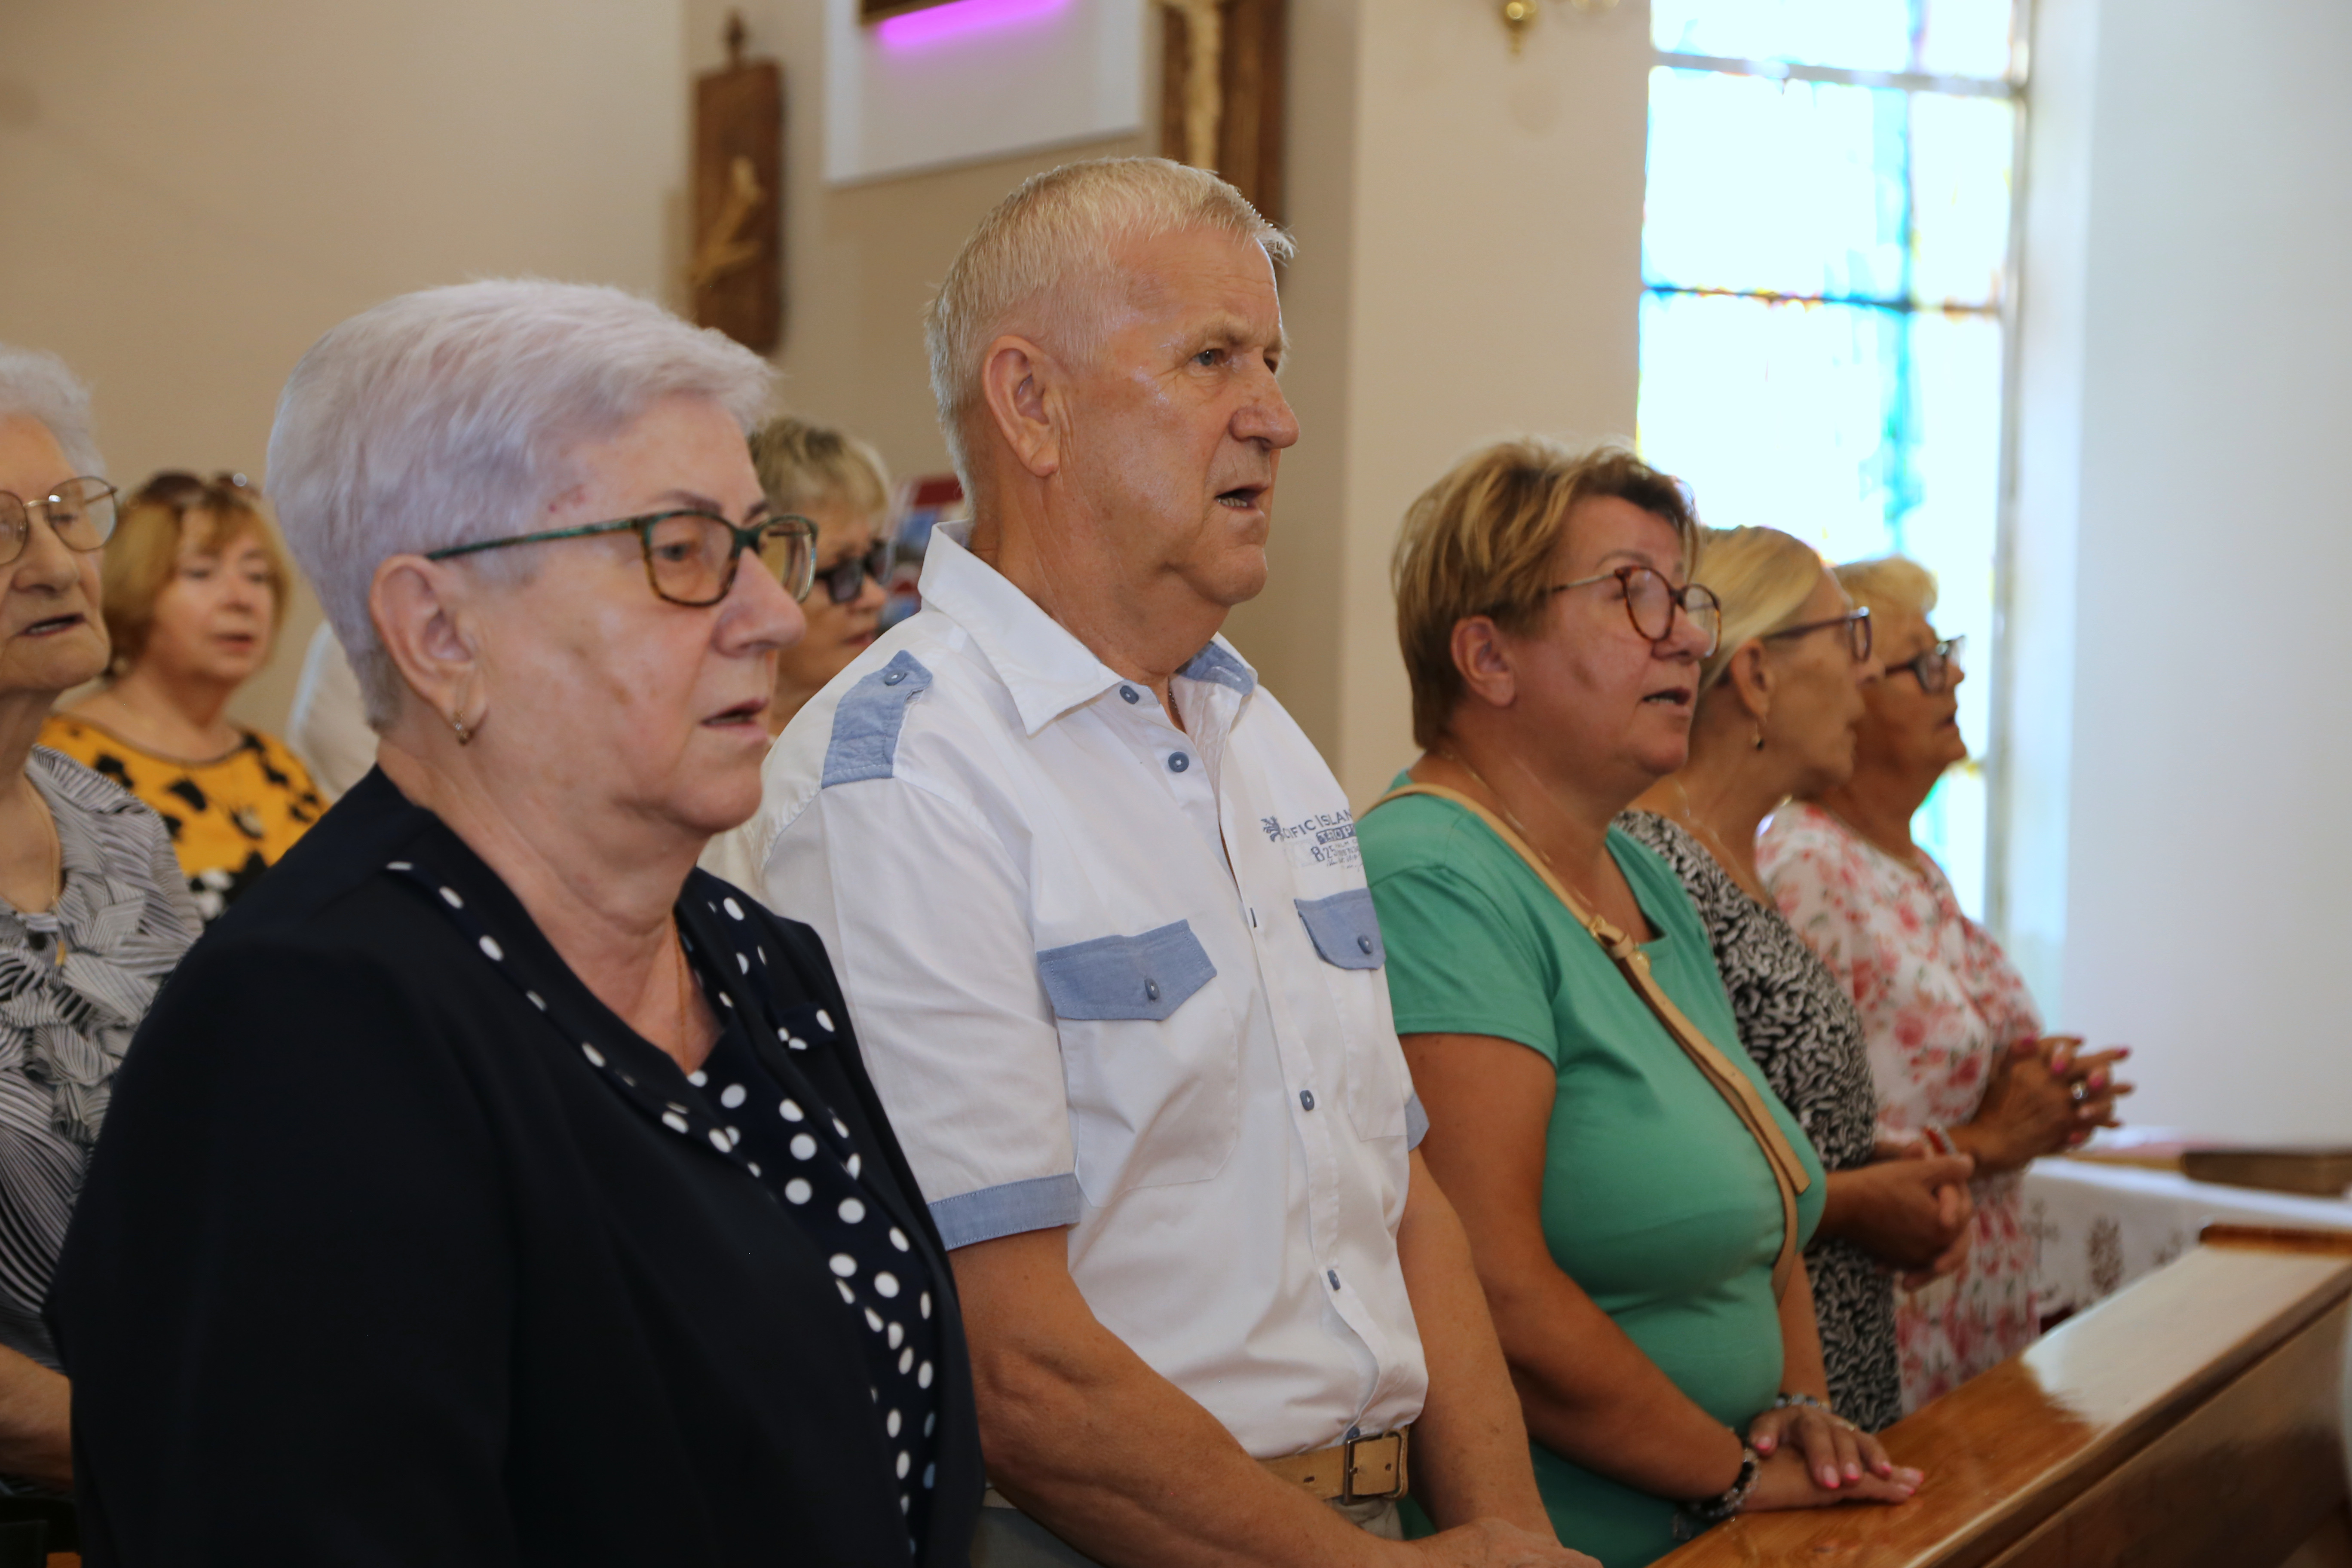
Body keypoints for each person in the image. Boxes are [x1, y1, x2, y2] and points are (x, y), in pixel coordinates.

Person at [45, 281, 986, 1565]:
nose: (771, 612)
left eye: (758, 541)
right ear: (439, 633)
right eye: (680, 550)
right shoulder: (306, 1034)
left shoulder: (755, 960)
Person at [747, 159, 1588, 1568]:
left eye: (1272, 361)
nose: (1277, 416)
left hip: (1364, 1518)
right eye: (1212, 359)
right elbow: (1014, 1365)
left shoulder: (1262, 739)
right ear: (1032, 403)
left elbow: (1401, 1201)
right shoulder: (905, 772)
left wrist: (1510, 1530)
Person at [1359, 440, 1921, 1568]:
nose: (1691, 638)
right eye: (1633, 595)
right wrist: (1735, 1474)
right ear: (1489, 656)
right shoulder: (1431, 876)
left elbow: (1768, 1192)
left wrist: (1802, 1414)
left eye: (1685, 598)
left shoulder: (1640, 871)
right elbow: (1491, 1283)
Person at [1617, 526, 1977, 1435]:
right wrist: (1856, 1203)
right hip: (1751, 1408)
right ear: (1755, 674)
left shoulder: (1733, 860)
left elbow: (1769, 1120)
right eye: (1849, 638)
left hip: (1829, 1366)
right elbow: (1660, 1176)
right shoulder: (1656, 868)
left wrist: (1870, 1164)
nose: (1869, 673)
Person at [1759, 555, 2128, 1412]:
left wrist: (2044, 1086)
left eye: (1949, 653)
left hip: (1969, 1299)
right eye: (1924, 663)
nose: (1955, 677)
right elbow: (1795, 1144)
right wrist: (1992, 1137)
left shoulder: (1914, 867)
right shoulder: (1805, 866)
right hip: (1886, 1306)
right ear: (1849, 695)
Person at [0, 346, 202, 1504]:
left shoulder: (119, 830)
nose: (51, 563)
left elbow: (225, 1139)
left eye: (67, 513)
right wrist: (189, 1456)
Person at [43, 471, 325, 921]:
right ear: (134, 587)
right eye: (201, 572)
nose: (241, 599)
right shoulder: (58, 765)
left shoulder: (279, 766)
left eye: (257, 576)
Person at [701, 416, 892, 891]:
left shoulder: (892, 730)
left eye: (874, 562)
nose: (875, 596)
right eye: (842, 572)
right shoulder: (704, 771)